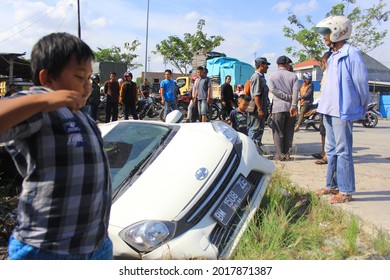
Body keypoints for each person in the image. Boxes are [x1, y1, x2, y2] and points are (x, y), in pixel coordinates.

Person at [0, 32, 112, 260]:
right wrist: (44, 100)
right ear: (47, 78)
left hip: (95, 245)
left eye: (89, 78)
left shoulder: (80, 114)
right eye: (80, 77)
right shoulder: (39, 105)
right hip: (47, 248)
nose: (86, 86)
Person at [314, 16, 369, 203]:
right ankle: (332, 186)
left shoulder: (351, 54)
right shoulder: (333, 56)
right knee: (331, 150)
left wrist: (363, 105)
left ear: (339, 31)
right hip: (328, 109)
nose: (324, 37)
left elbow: (361, 82)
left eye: (326, 33)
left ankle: (345, 191)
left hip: (341, 110)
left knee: (343, 150)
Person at [268, 55, 299, 161]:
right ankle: (286, 154)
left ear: (277, 65)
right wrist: (293, 104)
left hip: (278, 108)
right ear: (287, 65)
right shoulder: (293, 76)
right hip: (291, 108)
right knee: (289, 131)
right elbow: (295, 92)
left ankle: (279, 154)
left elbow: (273, 90)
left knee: (277, 132)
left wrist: (285, 97)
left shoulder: (272, 76)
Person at [312, 51, 332, 165]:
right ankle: (324, 152)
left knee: (327, 132)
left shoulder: (329, 73)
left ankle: (327, 155)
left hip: (328, 108)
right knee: (324, 132)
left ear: (324, 61)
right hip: (325, 107)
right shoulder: (328, 73)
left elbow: (326, 93)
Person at [248, 57, 271, 151]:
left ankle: (256, 151)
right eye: (266, 65)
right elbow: (256, 96)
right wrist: (260, 109)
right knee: (254, 129)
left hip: (261, 108)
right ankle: (250, 150)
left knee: (259, 130)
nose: (267, 67)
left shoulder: (261, 77)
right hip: (257, 110)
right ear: (261, 65)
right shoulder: (256, 77)